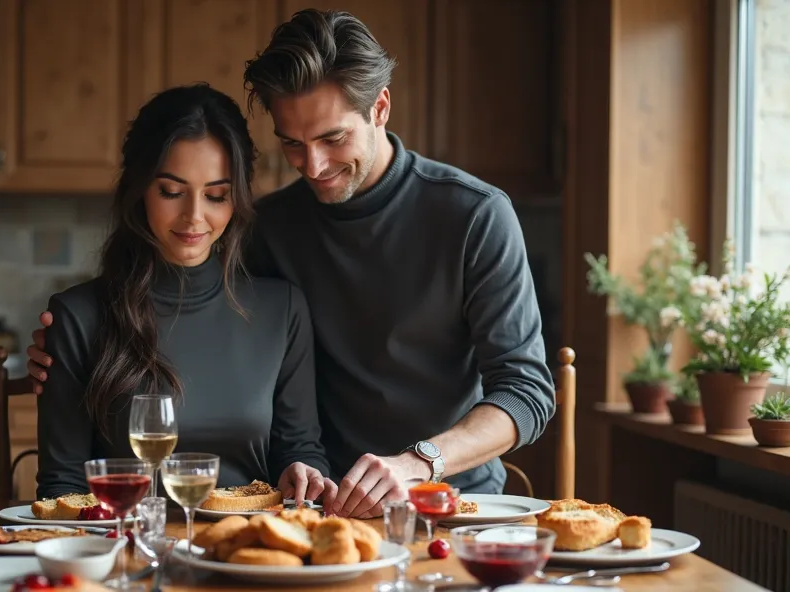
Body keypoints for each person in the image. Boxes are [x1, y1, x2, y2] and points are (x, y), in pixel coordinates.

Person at [28, 9, 556, 518]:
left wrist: (421, 461)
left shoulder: (474, 215)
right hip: (322, 505)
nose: (315, 166)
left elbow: (527, 393)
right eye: (292, 145)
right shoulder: (267, 226)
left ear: (381, 108)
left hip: (447, 499)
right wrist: (76, 345)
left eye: (333, 138)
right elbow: (192, 308)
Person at [34, 83, 334, 506]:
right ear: (140, 189)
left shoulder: (282, 310)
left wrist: (303, 472)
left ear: (238, 198)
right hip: (126, 553)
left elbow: (299, 449)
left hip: (242, 551)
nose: (194, 217)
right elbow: (62, 487)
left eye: (216, 195)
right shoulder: (77, 316)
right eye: (172, 192)